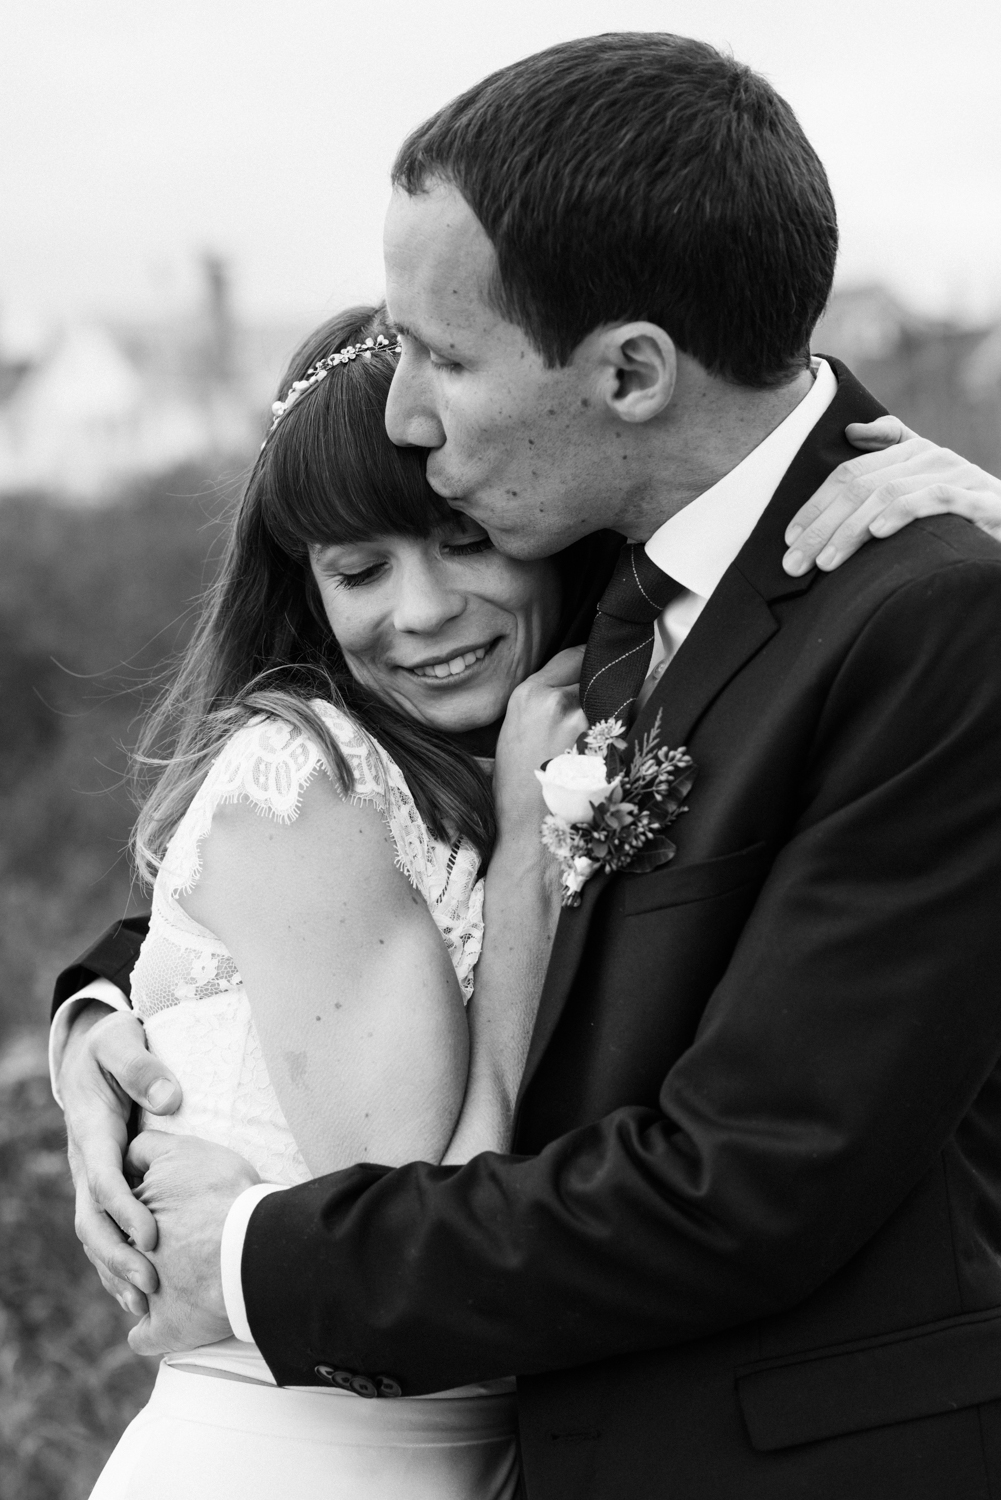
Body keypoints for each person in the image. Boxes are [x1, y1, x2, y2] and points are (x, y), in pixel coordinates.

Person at [52, 33, 1001, 1500]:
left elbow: (752, 1178)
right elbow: (347, 850)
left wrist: (249, 1261)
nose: (409, 416)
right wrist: (103, 1017)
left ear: (628, 371)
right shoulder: (610, 570)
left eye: (442, 357)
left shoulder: (923, 606)